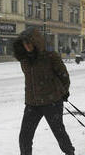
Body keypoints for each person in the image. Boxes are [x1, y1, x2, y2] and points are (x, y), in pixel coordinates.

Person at [13, 27, 75, 155]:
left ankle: (70, 152)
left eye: (29, 43)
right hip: (32, 103)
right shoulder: (24, 60)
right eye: (24, 44)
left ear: (36, 42)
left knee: (59, 132)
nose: (27, 46)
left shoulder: (51, 57)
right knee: (24, 136)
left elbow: (64, 76)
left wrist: (63, 92)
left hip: (52, 101)